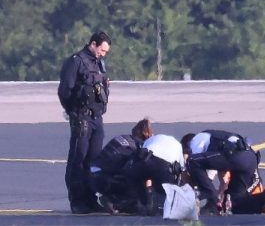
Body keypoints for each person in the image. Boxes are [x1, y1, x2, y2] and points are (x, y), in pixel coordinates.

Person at [57, 31, 111, 213]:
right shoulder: (75, 62)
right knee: (78, 160)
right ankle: (77, 200)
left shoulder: (98, 64)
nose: (103, 54)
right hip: (82, 117)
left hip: (97, 118)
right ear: (93, 44)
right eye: (102, 50)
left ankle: (90, 198)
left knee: (93, 160)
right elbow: (65, 91)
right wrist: (73, 112)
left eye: (106, 52)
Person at [182, 130, 265, 215]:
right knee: (232, 204)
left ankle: (211, 202)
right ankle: (263, 201)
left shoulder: (195, 141)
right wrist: (221, 194)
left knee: (192, 161)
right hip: (250, 158)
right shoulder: (214, 144)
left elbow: (202, 173)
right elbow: (223, 178)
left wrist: (210, 196)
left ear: (187, 147)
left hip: (236, 156)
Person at [89, 118, 154, 214]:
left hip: (93, 174)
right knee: (137, 180)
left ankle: (110, 198)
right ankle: (115, 203)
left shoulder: (124, 138)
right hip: (104, 179)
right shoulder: (136, 147)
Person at [122, 133, 185, 215]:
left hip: (145, 160)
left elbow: (140, 152)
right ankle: (161, 204)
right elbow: (181, 169)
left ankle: (140, 202)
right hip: (164, 167)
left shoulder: (151, 139)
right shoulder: (178, 146)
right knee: (165, 189)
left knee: (135, 177)